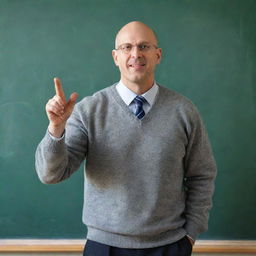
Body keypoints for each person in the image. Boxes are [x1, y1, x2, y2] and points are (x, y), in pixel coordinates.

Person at [35, 21, 217, 256]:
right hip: (104, 246)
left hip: (170, 245)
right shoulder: (88, 110)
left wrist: (191, 234)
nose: (135, 54)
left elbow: (201, 175)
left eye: (144, 46)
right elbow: (51, 174)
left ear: (158, 54)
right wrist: (56, 129)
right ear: (115, 57)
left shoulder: (183, 111)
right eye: (126, 47)